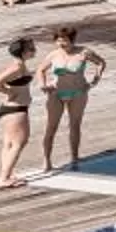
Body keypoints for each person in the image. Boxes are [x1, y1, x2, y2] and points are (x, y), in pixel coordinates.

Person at [38, 26, 107, 170]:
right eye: (59, 41)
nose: (62, 44)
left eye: (65, 41)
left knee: (75, 126)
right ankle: (47, 160)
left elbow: (101, 63)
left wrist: (94, 81)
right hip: (57, 93)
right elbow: (41, 70)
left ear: (72, 40)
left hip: (78, 93)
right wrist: (42, 84)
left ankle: (74, 157)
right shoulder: (53, 55)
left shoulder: (84, 52)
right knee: (51, 127)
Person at [0, 38, 35, 187]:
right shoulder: (17, 67)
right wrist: (9, 92)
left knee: (9, 144)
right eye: (31, 49)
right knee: (18, 143)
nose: (34, 51)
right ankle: (4, 178)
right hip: (16, 109)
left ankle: (5, 174)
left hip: (9, 110)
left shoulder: (18, 65)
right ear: (22, 52)